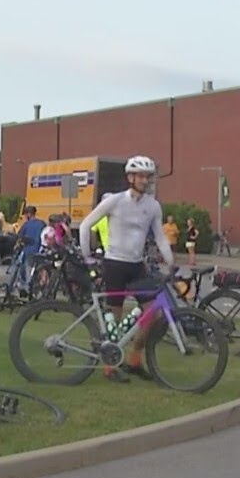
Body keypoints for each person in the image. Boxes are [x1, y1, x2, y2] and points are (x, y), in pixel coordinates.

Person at [78, 155, 175, 383]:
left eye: (148, 177)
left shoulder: (153, 206)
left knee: (153, 312)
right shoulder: (115, 201)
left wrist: (171, 262)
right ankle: (110, 366)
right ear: (130, 177)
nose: (145, 180)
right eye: (141, 176)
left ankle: (134, 359)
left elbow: (160, 237)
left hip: (137, 265)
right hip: (114, 264)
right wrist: (87, 256)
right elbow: (86, 224)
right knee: (116, 318)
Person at [14, 206, 46, 292]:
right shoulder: (42, 223)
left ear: (28, 214)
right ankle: (42, 285)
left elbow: (20, 236)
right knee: (41, 269)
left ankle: (28, 288)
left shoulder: (26, 225)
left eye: (25, 215)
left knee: (28, 269)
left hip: (29, 251)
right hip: (40, 250)